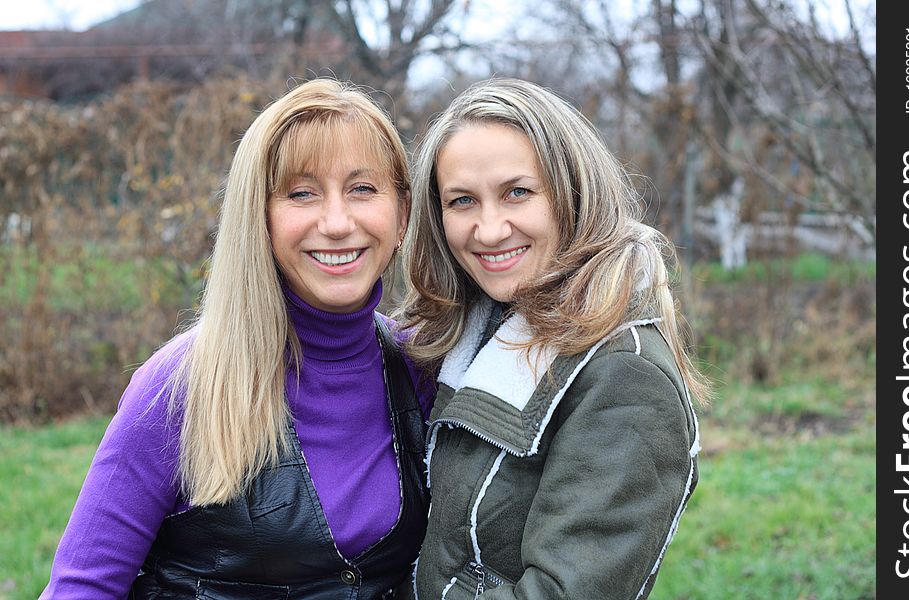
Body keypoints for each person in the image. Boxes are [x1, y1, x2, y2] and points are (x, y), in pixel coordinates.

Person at [42, 78, 432, 599]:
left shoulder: (421, 369)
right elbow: (81, 588)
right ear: (260, 219)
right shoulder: (178, 388)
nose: (338, 222)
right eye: (301, 193)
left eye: (363, 189)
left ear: (402, 214)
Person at [397, 78, 708, 599]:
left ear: (572, 190)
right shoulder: (469, 332)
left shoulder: (622, 373)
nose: (490, 229)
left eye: (517, 192)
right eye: (462, 201)